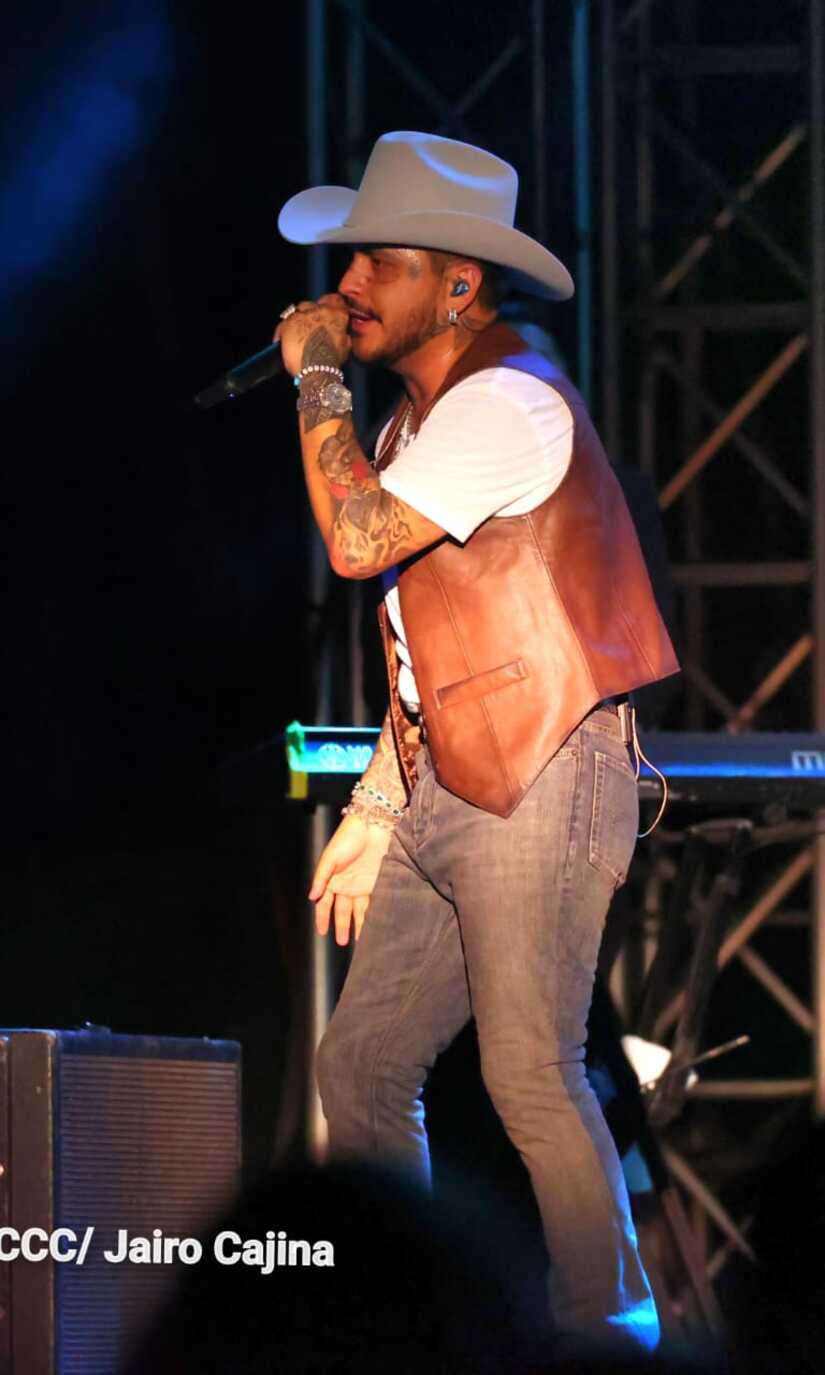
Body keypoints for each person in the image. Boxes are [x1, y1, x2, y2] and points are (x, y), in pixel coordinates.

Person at [275, 131, 679, 1357]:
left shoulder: (512, 399)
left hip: (548, 767)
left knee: (530, 1070)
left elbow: (356, 540)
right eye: (350, 261)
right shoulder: (417, 425)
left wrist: (315, 377)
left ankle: (614, 1331)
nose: (349, 285)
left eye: (380, 265)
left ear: (457, 285)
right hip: (450, 780)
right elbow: (425, 659)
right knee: (361, 1066)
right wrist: (374, 807)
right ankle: (413, 1325)